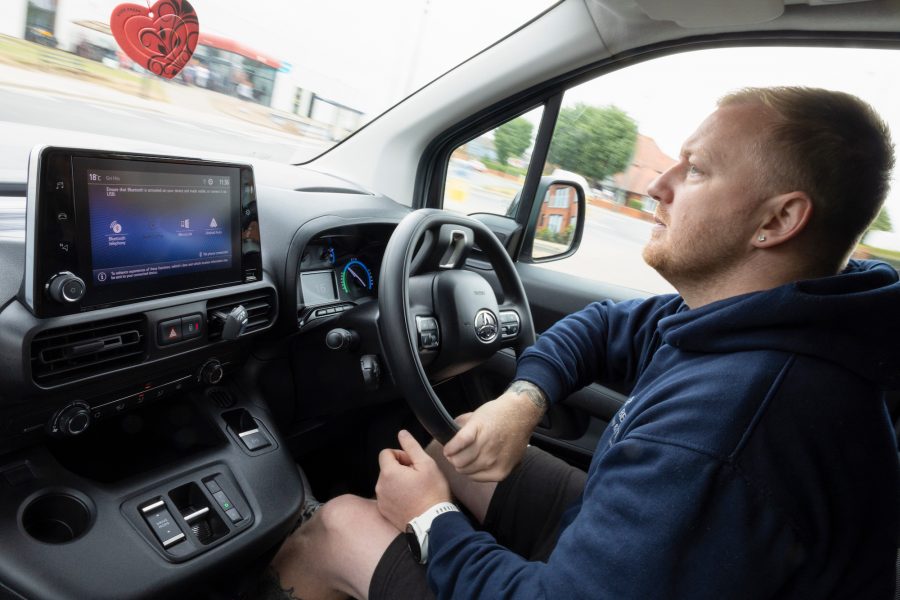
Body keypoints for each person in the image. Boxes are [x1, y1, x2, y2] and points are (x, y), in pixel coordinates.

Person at [262, 87, 900, 599]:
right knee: (455, 446)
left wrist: (430, 519)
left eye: (697, 169)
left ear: (778, 220)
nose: (657, 185)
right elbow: (604, 327)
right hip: (647, 564)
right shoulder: (763, 318)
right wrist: (523, 400)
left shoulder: (731, 431)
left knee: (340, 524)